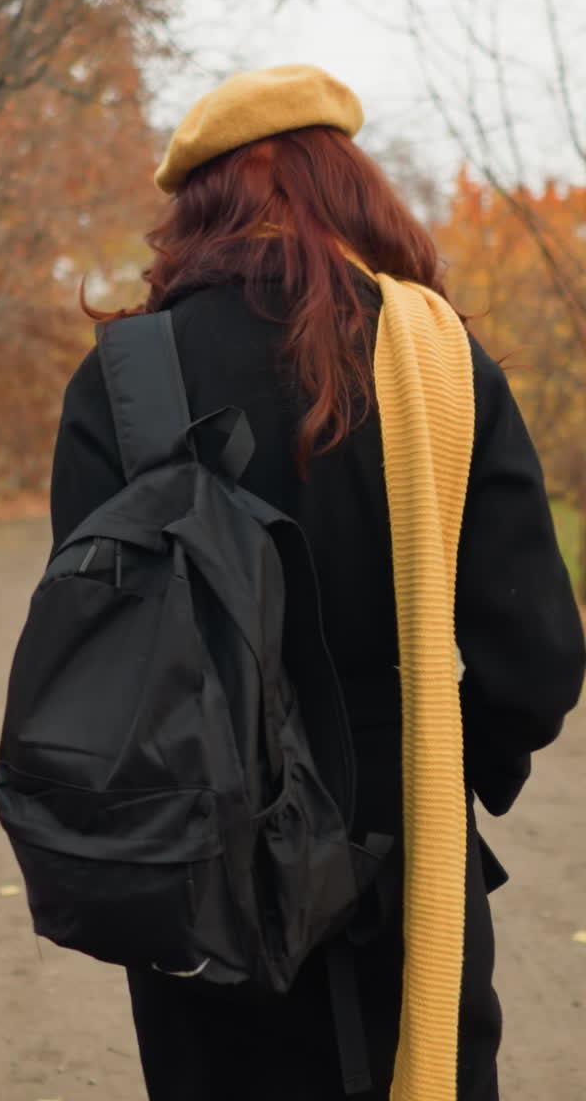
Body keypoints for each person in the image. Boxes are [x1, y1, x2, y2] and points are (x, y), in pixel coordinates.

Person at [48, 65, 585, 1101]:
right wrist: (445, 753)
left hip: (197, 872)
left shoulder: (122, 380)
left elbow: (95, 656)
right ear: (347, 187)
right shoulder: (441, 360)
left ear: (199, 207)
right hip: (409, 854)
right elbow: (542, 656)